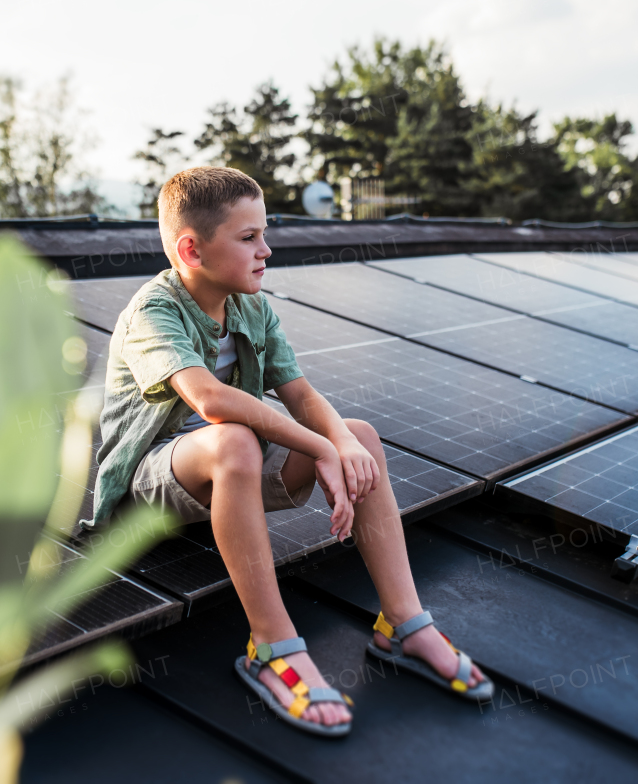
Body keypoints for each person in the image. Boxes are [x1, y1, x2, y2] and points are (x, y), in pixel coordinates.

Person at [93, 167, 491, 736]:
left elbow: (299, 393)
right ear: (191, 248)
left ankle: (401, 622)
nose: (267, 249)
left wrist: (343, 444)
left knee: (363, 437)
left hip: (232, 467)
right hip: (153, 482)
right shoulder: (153, 312)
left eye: (264, 234)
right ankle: (272, 646)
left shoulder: (251, 308)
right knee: (235, 438)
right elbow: (208, 400)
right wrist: (318, 449)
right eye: (248, 237)